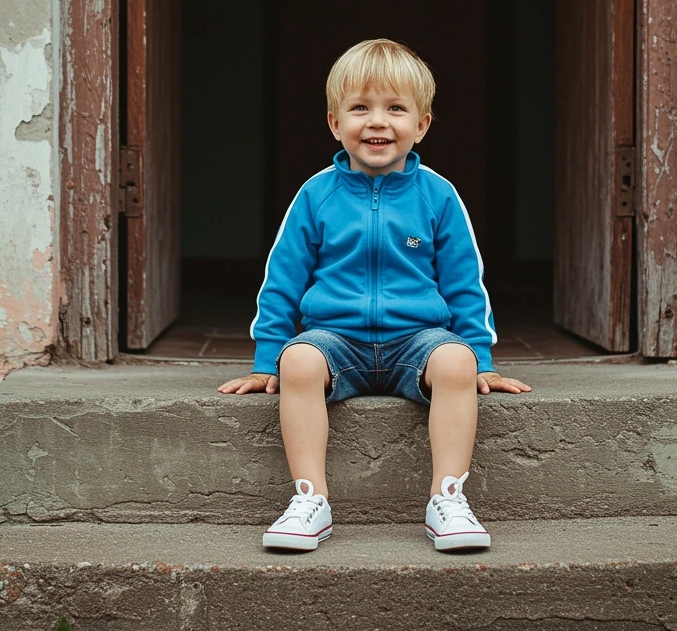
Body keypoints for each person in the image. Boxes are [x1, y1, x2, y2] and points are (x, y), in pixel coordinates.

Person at [217, 38, 531, 551]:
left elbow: (463, 282)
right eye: (360, 108)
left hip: (417, 340)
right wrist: (267, 359)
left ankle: (447, 500)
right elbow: (282, 280)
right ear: (334, 123)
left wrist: (481, 357)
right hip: (334, 339)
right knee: (298, 362)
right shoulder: (316, 194)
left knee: (457, 363)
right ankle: (308, 500)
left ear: (423, 124)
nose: (377, 122)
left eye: (395, 109)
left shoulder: (438, 195)